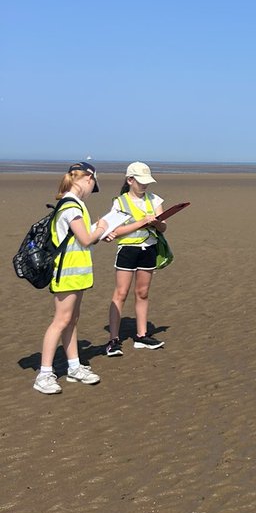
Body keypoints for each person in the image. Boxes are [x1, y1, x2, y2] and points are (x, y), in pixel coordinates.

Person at [33, 162, 109, 395]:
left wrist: (100, 231)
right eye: (92, 184)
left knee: (72, 319)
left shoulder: (76, 205)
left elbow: (81, 238)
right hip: (66, 273)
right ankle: (44, 373)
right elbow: (85, 239)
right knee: (61, 320)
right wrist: (102, 226)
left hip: (77, 274)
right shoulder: (71, 206)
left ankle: (74, 366)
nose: (91, 189)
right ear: (87, 179)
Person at [105, 162, 168, 355]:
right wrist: (141, 222)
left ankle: (142, 335)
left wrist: (157, 223)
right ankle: (113, 340)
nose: (144, 185)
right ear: (130, 180)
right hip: (127, 250)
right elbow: (115, 230)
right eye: (141, 181)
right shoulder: (120, 202)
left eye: (147, 181)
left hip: (148, 249)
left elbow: (164, 227)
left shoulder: (154, 199)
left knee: (142, 292)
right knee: (121, 293)